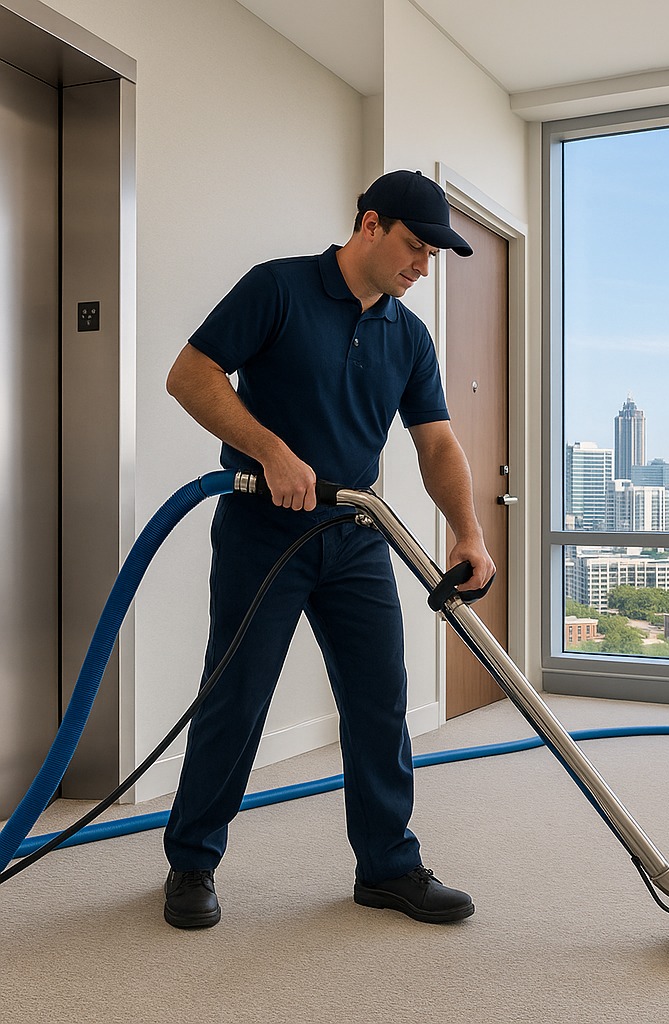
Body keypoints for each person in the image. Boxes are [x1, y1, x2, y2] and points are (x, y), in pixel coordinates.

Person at [161, 170, 495, 930]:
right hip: (263, 532)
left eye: (433, 256)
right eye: (415, 247)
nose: (422, 266)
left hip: (354, 536)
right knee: (237, 696)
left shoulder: (407, 334)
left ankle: (388, 865)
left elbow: (436, 440)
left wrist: (468, 532)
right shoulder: (277, 289)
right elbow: (191, 375)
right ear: (370, 226)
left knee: (380, 701)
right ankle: (192, 860)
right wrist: (268, 449)